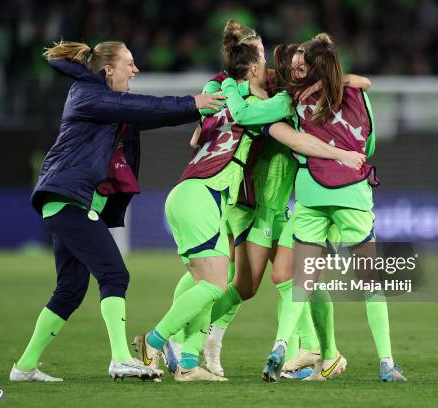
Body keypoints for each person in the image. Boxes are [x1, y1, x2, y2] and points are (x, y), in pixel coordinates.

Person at [134, 21, 363, 382]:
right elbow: (211, 130)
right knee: (232, 280)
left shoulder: (279, 95)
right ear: (254, 64)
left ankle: (312, 351)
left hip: (268, 206)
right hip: (241, 203)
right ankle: (187, 344)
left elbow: (351, 82)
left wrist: (335, 83)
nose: (291, 70)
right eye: (258, 51)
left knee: (274, 278)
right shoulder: (261, 99)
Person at [10, 40, 225, 382]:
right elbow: (145, 107)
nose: (136, 70)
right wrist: (192, 103)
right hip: (69, 200)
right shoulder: (87, 94)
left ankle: (23, 368)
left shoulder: (106, 102)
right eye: (130, 63)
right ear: (108, 69)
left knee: (69, 290)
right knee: (115, 275)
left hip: (73, 201)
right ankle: (121, 358)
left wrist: (193, 111)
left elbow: (150, 114)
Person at [270, 33, 406, 382]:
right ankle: (387, 363)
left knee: (304, 282)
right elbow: (369, 143)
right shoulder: (358, 94)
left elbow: (279, 130)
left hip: (311, 193)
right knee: (371, 283)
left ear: (309, 68)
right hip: (352, 194)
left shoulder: (293, 101)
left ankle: (282, 344)